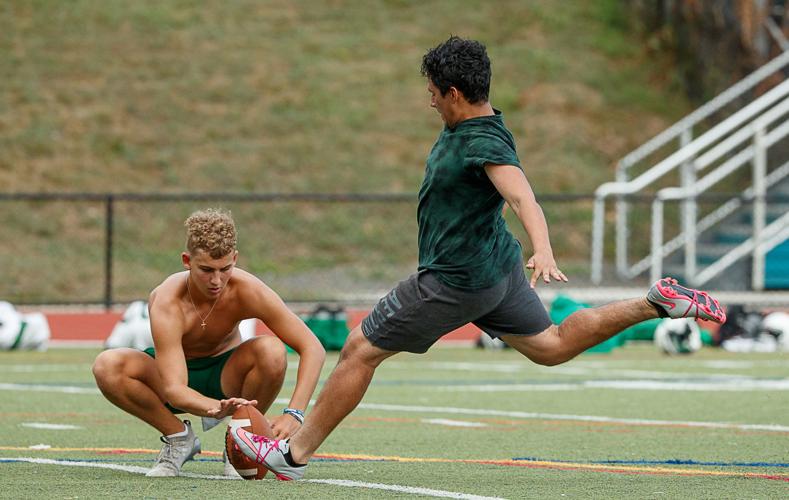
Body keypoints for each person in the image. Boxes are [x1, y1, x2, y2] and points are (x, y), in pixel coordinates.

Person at [230, 36, 728, 480]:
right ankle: (654, 302)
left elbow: (522, 197)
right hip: (497, 270)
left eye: (432, 91)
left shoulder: (484, 140)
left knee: (361, 347)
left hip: (456, 280)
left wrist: (544, 247)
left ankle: (291, 456)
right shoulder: (478, 120)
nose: (428, 98)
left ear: (454, 93)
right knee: (551, 346)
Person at [92, 208, 326, 477]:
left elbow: (313, 348)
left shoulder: (249, 290)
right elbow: (174, 388)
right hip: (173, 376)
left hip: (226, 375)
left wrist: (294, 412)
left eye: (225, 269)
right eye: (206, 270)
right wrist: (213, 408)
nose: (216, 280)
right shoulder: (167, 300)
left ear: (235, 259)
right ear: (186, 261)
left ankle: (239, 443)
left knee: (271, 350)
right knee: (107, 365)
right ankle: (179, 437)